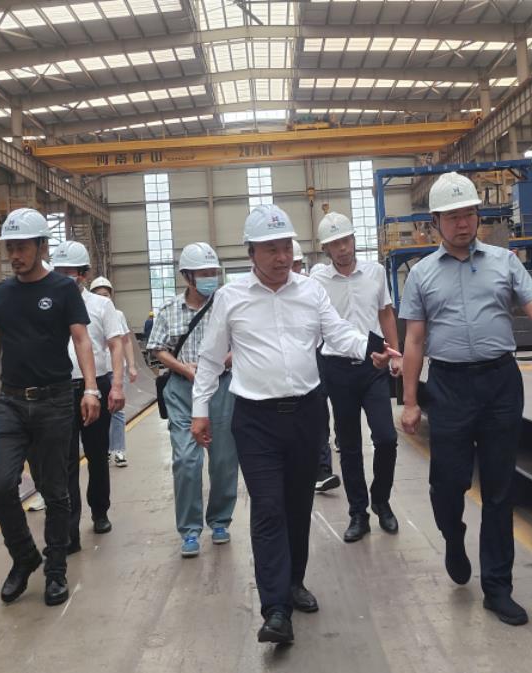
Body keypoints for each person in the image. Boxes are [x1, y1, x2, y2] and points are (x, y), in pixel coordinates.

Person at [190, 204, 399, 644]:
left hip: (306, 414)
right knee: (268, 508)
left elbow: (339, 333)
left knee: (298, 506)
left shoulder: (310, 291)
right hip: (255, 420)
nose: (282, 257)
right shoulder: (231, 297)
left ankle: (294, 582)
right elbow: (209, 359)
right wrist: (200, 409)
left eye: (286, 246)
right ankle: (275, 610)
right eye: (271, 249)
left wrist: (373, 349)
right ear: (251, 252)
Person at [399, 172, 532, 627]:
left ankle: (498, 588)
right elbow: (414, 340)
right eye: (453, 217)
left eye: (469, 214)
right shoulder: (422, 275)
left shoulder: (505, 262)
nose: (463, 223)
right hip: (448, 387)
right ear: (435, 222)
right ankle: (453, 538)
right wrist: (410, 401)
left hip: (500, 383)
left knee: (500, 488)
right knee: (447, 484)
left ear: (478, 216)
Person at [0, 208, 101, 607]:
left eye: (22, 247)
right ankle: (25, 557)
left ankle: (55, 569)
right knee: (1, 486)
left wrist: (91, 389)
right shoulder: (3, 293)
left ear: (42, 246)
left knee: (55, 491)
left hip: (55, 401)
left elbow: (81, 340)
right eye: (10, 248)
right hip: (11, 401)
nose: (15, 255)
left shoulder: (63, 289)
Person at [311, 212, 403, 542]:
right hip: (337, 370)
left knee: (386, 439)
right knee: (349, 446)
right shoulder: (317, 279)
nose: (342, 248)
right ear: (326, 248)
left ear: (354, 240)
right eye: (335, 243)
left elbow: (385, 313)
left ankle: (381, 500)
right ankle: (358, 513)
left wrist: (396, 353)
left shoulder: (375, 272)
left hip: (374, 366)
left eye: (346, 240)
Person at [148, 242, 238, 558]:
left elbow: (241, 343)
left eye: (214, 272)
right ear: (187, 276)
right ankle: (189, 530)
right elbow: (157, 348)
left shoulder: (227, 305)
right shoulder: (169, 310)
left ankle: (220, 521)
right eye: (203, 273)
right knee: (187, 460)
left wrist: (220, 362)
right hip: (182, 390)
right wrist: (184, 368)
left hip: (221, 388)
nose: (211, 277)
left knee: (224, 458)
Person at [51, 241, 126, 551]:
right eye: (59, 271)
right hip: (59, 390)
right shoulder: (48, 304)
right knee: (66, 459)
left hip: (95, 386)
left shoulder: (100, 306)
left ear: (83, 274)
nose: (64, 276)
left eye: (70, 272)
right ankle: (70, 530)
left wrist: (117, 385)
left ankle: (99, 511)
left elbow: (116, 344)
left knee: (97, 454)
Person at [294, 244, 341, 494]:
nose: (292, 269)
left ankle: (322, 470)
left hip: (317, 356)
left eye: (296, 264)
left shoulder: (311, 290)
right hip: (287, 369)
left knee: (319, 412)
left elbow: (333, 326)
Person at [89, 276, 139, 467]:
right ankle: (102, 450)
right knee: (98, 411)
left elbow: (125, 341)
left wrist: (131, 365)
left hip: (115, 370)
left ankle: (118, 450)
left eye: (106, 295)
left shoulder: (117, 315)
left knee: (116, 410)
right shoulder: (85, 313)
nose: (104, 298)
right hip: (95, 371)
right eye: (99, 295)